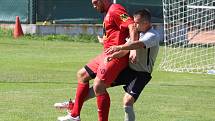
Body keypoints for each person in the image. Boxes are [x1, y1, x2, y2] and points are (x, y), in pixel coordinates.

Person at [56, 9, 161, 121]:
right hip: (128, 70)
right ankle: (74, 105)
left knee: (127, 101)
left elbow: (138, 45)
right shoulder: (137, 33)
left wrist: (119, 47)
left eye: (136, 23)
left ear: (145, 23)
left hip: (141, 74)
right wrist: (114, 55)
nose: (133, 25)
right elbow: (126, 49)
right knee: (99, 85)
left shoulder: (153, 35)